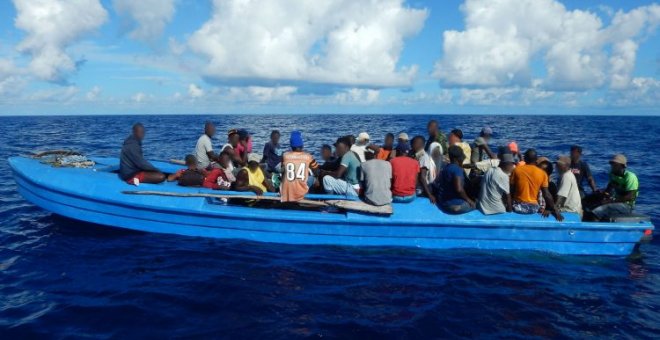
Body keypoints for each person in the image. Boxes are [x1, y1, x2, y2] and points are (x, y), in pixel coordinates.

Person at [510, 149, 563, 221]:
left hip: (518, 208)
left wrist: (508, 207)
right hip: (533, 209)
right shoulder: (542, 173)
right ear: (536, 160)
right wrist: (556, 211)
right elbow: (546, 194)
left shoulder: (516, 170)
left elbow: (511, 190)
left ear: (525, 159)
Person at [591, 154, 639, 221]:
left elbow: (630, 196)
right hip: (615, 201)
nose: (612, 167)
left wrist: (610, 201)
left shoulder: (630, 177)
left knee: (598, 211)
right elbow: (610, 187)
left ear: (622, 166)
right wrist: (603, 194)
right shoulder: (612, 173)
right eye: (612, 164)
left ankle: (595, 229)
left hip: (626, 206)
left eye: (615, 165)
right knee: (591, 201)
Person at [280, 131, 319, 202]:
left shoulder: (285, 156)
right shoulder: (308, 157)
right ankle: (311, 197)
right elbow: (316, 170)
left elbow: (283, 171)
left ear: (291, 146)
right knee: (315, 180)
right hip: (301, 191)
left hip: (287, 190)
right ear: (302, 145)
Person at [438, 145, 474, 214]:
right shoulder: (457, 170)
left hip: (444, 203)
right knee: (478, 204)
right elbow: (459, 189)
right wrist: (468, 200)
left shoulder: (446, 167)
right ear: (457, 158)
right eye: (462, 156)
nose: (464, 157)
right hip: (454, 206)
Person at [411, 136, 436, 204]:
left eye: (414, 143)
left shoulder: (423, 157)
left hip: (421, 189)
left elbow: (422, 177)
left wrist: (429, 195)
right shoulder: (416, 155)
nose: (411, 145)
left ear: (420, 145)